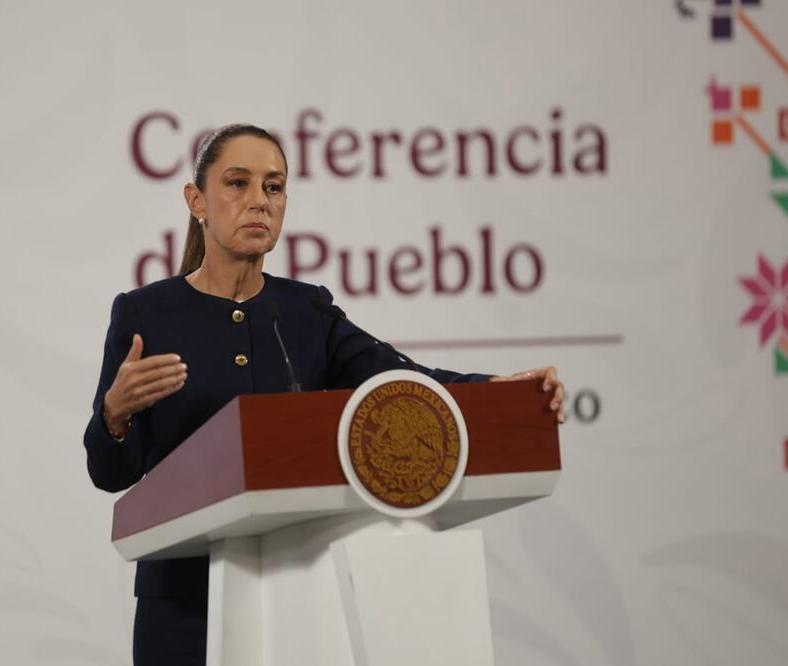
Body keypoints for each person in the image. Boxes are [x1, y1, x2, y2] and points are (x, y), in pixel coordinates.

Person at [83, 123, 565, 665]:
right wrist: (114, 414)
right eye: (237, 184)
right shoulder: (147, 313)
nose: (258, 202)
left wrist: (497, 393)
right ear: (196, 199)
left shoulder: (305, 311)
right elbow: (109, 473)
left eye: (274, 186)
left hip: (295, 596)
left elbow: (397, 379)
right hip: (183, 599)